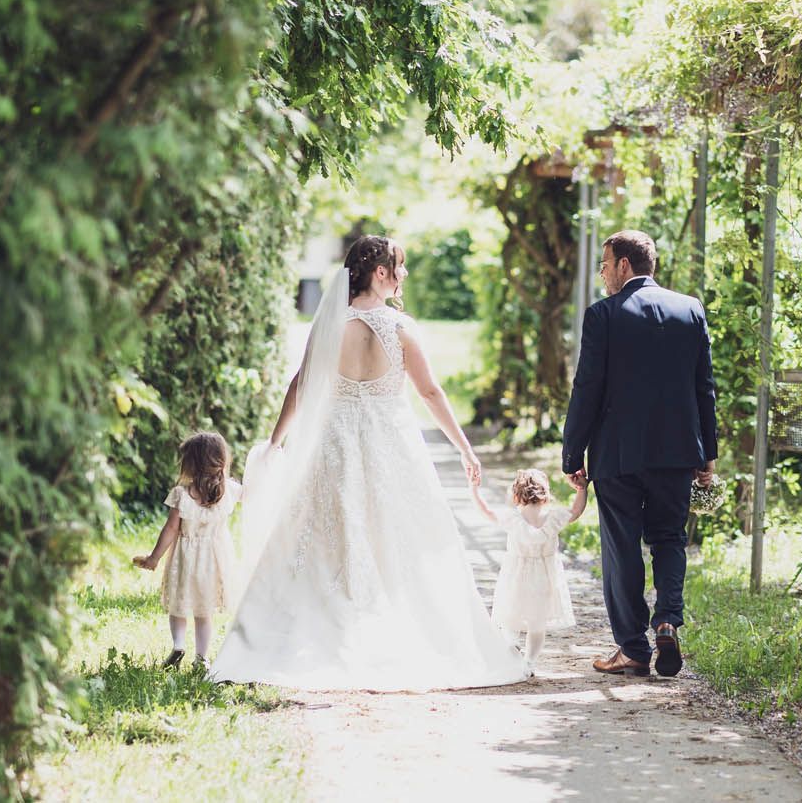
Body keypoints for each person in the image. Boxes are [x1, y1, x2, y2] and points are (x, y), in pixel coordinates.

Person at [207, 235, 525, 690]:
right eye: (402, 266)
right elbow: (430, 392)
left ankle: (321, 625)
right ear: (381, 273)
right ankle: (394, 623)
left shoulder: (330, 325)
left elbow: (299, 386)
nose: (406, 274)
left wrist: (277, 443)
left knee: (323, 533)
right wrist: (463, 447)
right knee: (400, 536)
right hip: (390, 447)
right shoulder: (400, 329)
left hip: (333, 444)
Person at [562, 230, 718, 678]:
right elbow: (703, 387)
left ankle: (632, 648)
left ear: (625, 266)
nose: (603, 273)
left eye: (606, 264)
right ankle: (667, 619)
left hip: (617, 454)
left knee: (622, 547)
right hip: (676, 451)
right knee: (669, 539)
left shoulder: (604, 315)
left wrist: (573, 453)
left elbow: (587, 388)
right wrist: (708, 452)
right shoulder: (689, 309)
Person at [133, 431, 240, 670]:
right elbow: (254, 492)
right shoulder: (230, 491)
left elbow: (170, 529)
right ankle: (201, 658)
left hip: (185, 561)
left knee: (178, 606)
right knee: (204, 613)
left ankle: (179, 646)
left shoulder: (182, 495)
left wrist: (154, 558)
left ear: (190, 463)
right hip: (214, 560)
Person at [470, 468, 588, 674]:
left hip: (517, 574)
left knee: (510, 614)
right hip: (544, 575)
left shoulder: (513, 519)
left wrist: (474, 489)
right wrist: (581, 490)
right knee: (537, 622)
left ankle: (510, 646)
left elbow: (486, 511)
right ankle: (529, 662)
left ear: (516, 494)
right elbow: (576, 511)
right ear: (546, 493)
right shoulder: (553, 517)